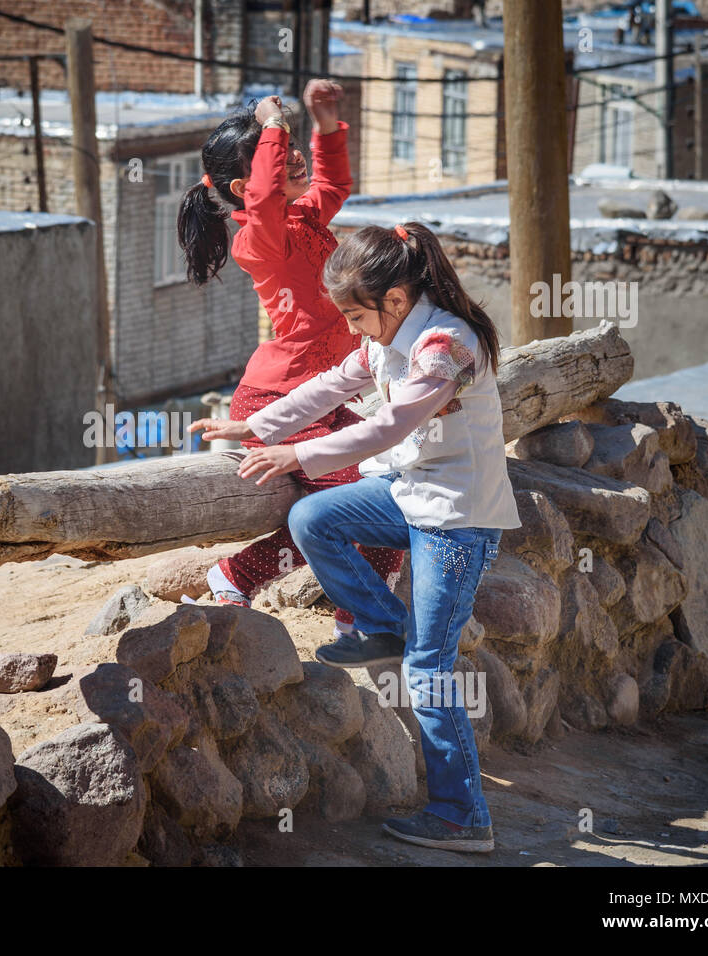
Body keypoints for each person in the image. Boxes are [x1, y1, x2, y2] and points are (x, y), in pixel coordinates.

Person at [196, 222, 520, 853]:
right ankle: (381, 625)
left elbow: (389, 427)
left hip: (457, 517)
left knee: (428, 670)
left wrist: (296, 457)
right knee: (314, 520)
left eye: (354, 313)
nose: (350, 327)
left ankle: (462, 815)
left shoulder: (442, 344)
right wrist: (252, 427)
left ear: (395, 300)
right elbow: (331, 386)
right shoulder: (386, 335)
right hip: (413, 494)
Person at [181, 81, 402, 636]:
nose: (293, 150)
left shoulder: (303, 218)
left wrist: (328, 125)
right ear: (244, 183)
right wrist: (272, 123)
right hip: (279, 402)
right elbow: (260, 202)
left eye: (288, 141)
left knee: (381, 494)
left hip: (316, 400)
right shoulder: (258, 240)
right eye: (277, 150)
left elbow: (336, 182)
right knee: (366, 503)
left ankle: (356, 622)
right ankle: (240, 578)